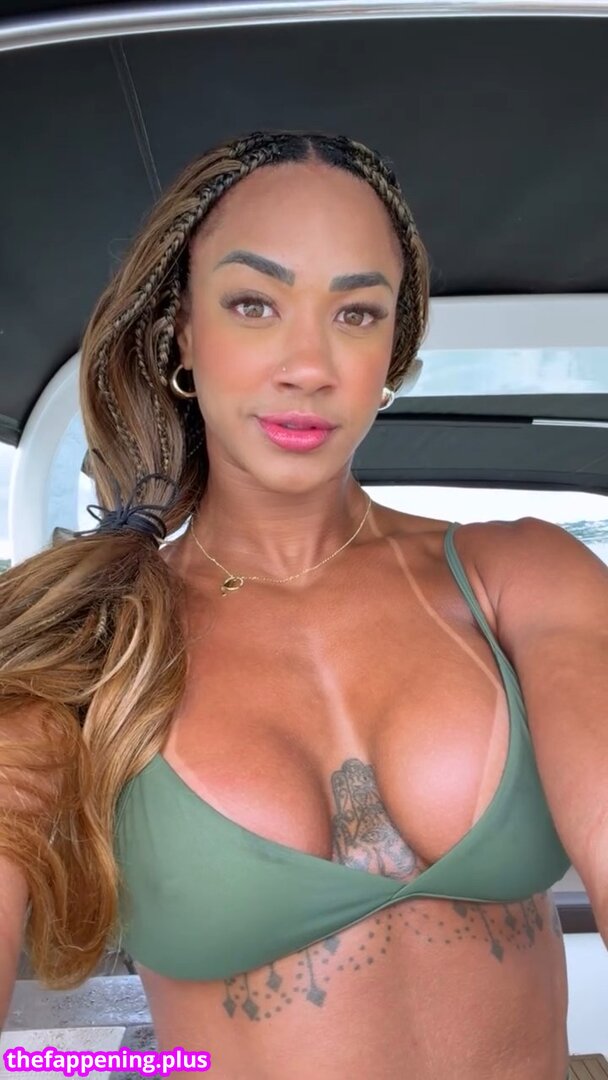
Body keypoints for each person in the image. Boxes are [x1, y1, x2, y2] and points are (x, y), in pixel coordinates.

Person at [1, 129, 606, 1080]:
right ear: (181, 332)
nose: (309, 365)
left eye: (356, 313)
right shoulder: (88, 649)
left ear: (392, 349)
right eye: (254, 303)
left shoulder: (522, 576)